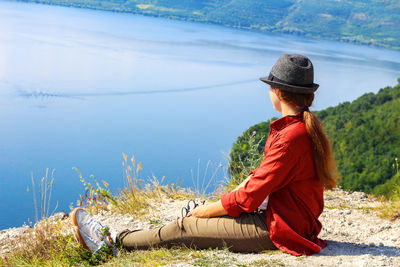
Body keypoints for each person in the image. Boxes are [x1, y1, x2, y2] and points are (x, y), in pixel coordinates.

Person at [71, 53, 338, 256]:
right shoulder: (300, 129)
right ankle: (131, 237)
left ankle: (112, 242)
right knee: (196, 216)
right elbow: (262, 182)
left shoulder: (291, 137)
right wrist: (213, 209)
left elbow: (248, 197)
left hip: (280, 229)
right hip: (287, 219)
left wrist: (205, 212)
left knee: (184, 228)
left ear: (278, 91)